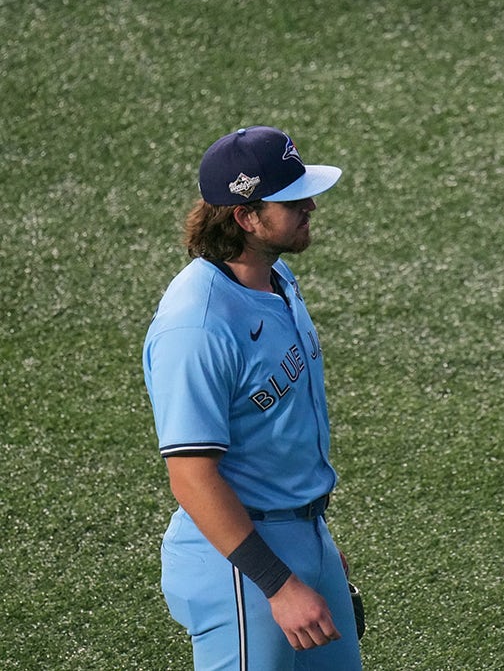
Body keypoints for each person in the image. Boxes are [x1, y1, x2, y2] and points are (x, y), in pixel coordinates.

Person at [143, 126, 362, 670]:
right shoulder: (196, 325)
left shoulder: (275, 277)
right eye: (291, 200)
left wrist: (313, 544)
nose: (310, 204)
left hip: (300, 533)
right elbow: (191, 475)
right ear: (245, 216)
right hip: (242, 567)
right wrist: (280, 584)